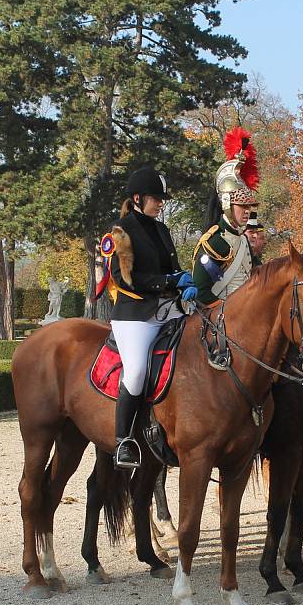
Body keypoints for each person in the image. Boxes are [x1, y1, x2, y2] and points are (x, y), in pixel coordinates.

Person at [102, 165, 197, 469]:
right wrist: (170, 282)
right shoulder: (121, 230)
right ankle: (124, 442)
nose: (161, 203)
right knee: (137, 371)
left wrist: (185, 282)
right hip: (134, 316)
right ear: (138, 198)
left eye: (161, 199)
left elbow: (170, 269)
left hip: (165, 309)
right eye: (156, 198)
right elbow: (125, 278)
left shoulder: (162, 229)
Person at [192, 127, 259, 306]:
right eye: (242, 206)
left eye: (249, 206)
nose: (247, 211)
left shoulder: (243, 241)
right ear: (227, 204)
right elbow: (201, 289)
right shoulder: (213, 242)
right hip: (219, 323)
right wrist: (228, 312)